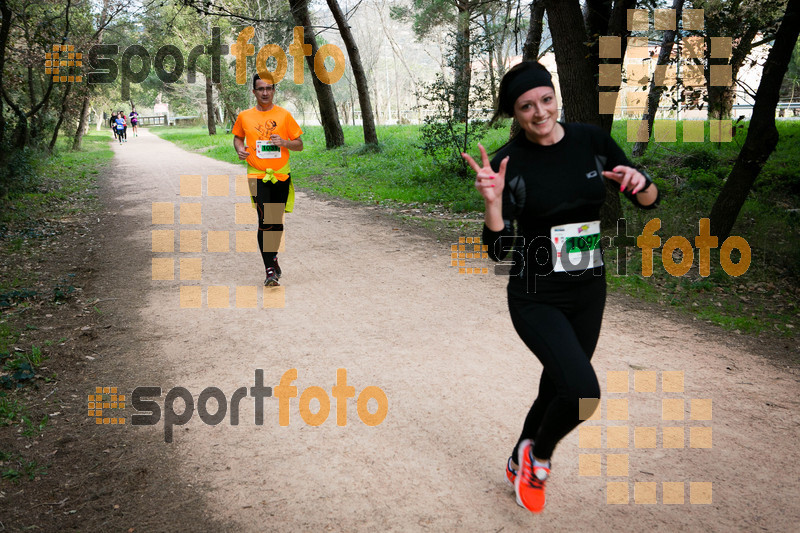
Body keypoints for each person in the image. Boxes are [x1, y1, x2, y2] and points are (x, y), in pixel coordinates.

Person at [462, 61, 660, 514]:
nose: (540, 112)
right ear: (515, 113)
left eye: (546, 100)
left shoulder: (591, 140)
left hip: (589, 291)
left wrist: (641, 182)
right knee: (582, 392)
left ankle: (519, 454)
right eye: (526, 106)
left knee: (558, 386)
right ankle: (539, 457)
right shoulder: (510, 161)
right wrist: (493, 204)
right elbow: (497, 250)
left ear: (555, 97)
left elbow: (649, 199)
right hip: (536, 296)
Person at [232, 73, 303, 287]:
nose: (265, 92)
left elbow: (299, 144)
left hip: (280, 174)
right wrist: (239, 150)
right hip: (257, 174)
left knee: (276, 222)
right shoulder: (244, 116)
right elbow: (237, 138)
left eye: (269, 88)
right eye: (260, 89)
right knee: (264, 221)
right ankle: (269, 269)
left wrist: (283, 142)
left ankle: (272, 257)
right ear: (253, 91)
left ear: (273, 91)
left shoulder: (284, 115)